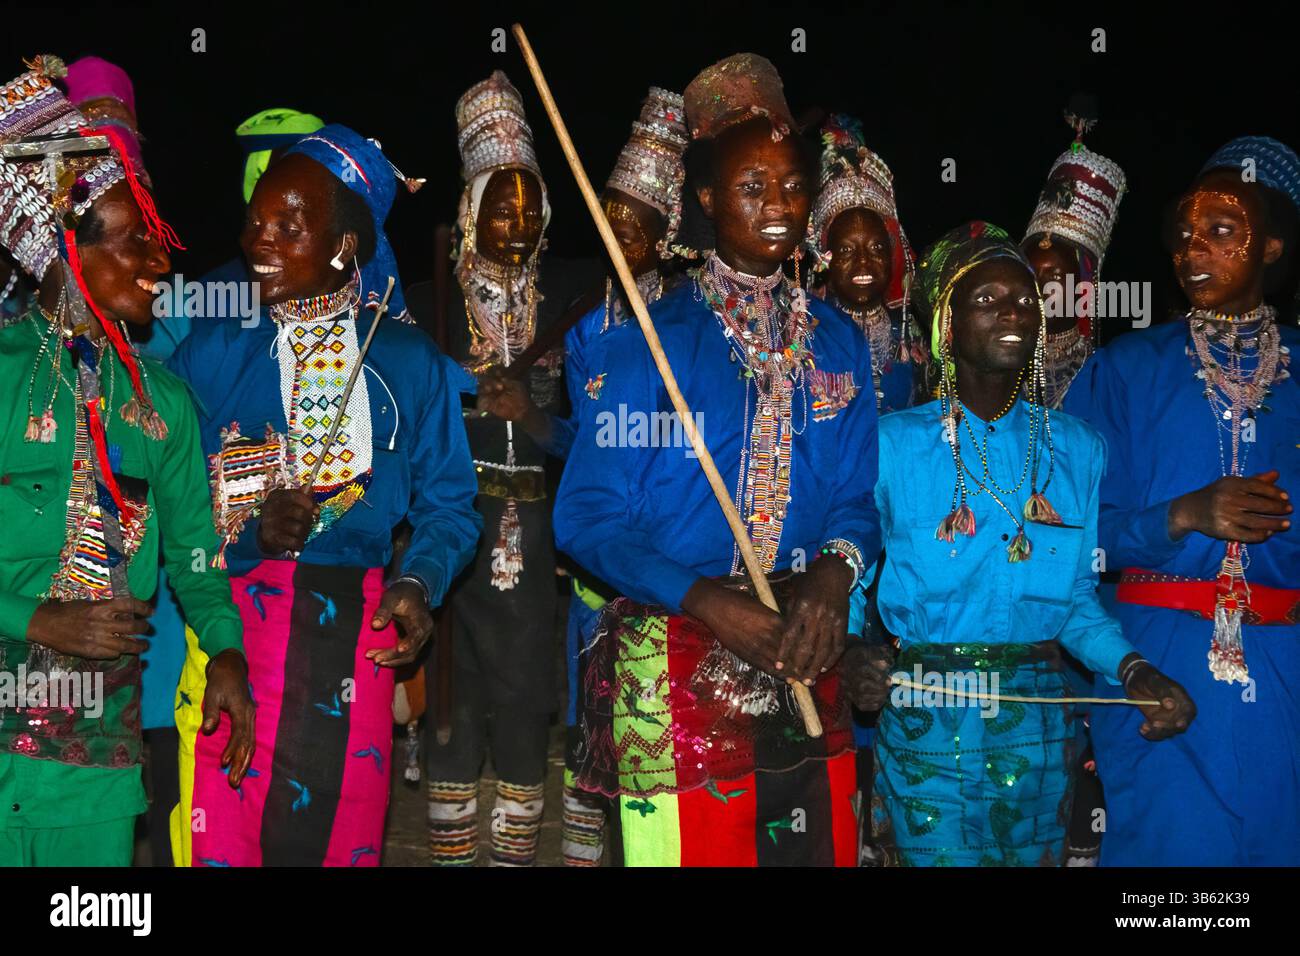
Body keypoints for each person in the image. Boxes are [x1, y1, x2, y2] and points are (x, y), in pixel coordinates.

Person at [555, 53, 875, 867]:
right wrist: (708, 601)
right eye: (752, 187)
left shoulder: (840, 344)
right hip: (674, 656)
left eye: (794, 187)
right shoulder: (648, 344)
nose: (779, 206)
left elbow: (854, 500)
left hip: (806, 646)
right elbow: (587, 520)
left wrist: (835, 578)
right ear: (703, 199)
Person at [167, 124, 480, 867]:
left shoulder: (409, 367)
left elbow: (451, 505)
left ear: (344, 246)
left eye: (287, 224)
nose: (257, 240)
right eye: (255, 221)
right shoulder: (212, 355)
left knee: (343, 836)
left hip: (357, 644)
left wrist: (417, 581)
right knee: (228, 834)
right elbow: (167, 509)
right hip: (235, 638)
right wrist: (248, 532)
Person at [846, 221, 1194, 866]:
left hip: (1037, 727)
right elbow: (848, 571)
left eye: (1026, 300)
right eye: (987, 301)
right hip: (925, 711)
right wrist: (849, 653)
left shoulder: (1079, 450)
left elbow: (1077, 602)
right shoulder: (890, 445)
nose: (1012, 312)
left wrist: (1134, 669)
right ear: (946, 326)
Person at [0, 54, 253, 867]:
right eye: (137, 240)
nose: (161, 262)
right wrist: (36, 619)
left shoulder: (165, 405)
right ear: (70, 248)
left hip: (94, 766)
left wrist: (227, 652)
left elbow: (195, 556)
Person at [1063, 137, 1300, 865]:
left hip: (1285, 665)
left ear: (1271, 247)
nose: (1192, 249)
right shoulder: (1125, 369)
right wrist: (1181, 516)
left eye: (1221, 232)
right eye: (1183, 236)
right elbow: (1066, 540)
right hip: (1157, 667)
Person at [412, 71, 598, 868]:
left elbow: (597, 443)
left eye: (531, 206)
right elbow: (406, 427)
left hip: (536, 547)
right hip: (452, 537)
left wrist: (537, 419)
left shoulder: (579, 306)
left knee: (525, 711)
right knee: (453, 711)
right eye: (502, 203)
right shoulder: (426, 306)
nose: (517, 221)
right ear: (470, 207)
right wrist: (467, 404)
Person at [808, 114, 925, 413]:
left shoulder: (915, 344)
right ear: (825, 257)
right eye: (846, 250)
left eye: (876, 248)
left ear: (892, 254)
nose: (863, 262)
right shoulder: (799, 340)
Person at [1021, 108, 1127, 408]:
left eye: (1054, 276)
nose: (1039, 287)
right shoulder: (998, 354)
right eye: (1029, 271)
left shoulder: (1103, 373)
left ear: (1084, 283)